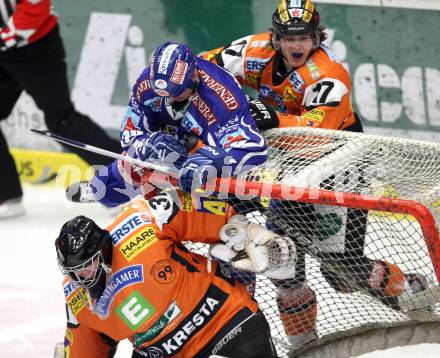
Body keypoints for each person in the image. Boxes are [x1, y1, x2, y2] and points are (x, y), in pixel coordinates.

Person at [202, 0, 427, 350]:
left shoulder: (328, 74)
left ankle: (416, 289)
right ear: (275, 37)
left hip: (340, 167)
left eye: (305, 37)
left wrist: (272, 119)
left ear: (317, 37)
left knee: (342, 272)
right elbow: (202, 68)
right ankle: (305, 348)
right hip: (291, 173)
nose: (296, 45)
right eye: (288, 37)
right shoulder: (254, 50)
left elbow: (312, 138)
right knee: (283, 266)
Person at [55, 191, 298, 357]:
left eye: (87, 266)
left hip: (223, 318)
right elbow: (84, 349)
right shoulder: (76, 298)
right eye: (73, 271)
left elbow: (204, 212)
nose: (82, 277)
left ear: (103, 250)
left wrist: (248, 232)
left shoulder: (143, 221)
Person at [78, 40, 267, 208]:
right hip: (167, 155)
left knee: (234, 219)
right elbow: (130, 133)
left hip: (205, 163)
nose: (168, 99)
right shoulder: (147, 83)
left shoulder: (222, 96)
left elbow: (253, 149)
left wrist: (211, 161)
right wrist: (146, 145)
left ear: (194, 77)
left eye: (176, 92)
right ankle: (138, 190)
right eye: (163, 94)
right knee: (103, 189)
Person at [0, 0, 121, 218]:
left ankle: (127, 180)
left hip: (36, 46)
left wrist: (9, 35)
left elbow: (36, 4)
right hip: (4, 50)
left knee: (61, 120)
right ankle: (6, 195)